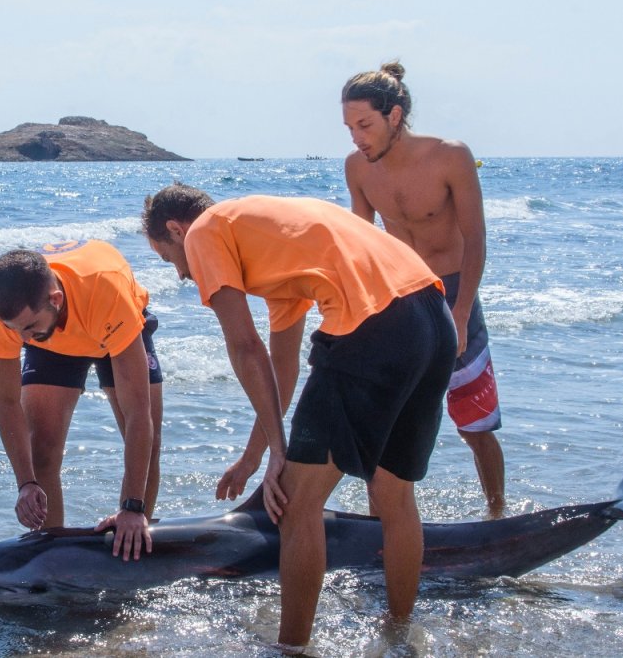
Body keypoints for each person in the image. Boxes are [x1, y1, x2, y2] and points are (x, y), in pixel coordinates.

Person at [142, 185, 456, 649]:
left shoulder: (205, 231)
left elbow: (244, 345)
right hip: (432, 318)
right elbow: (281, 367)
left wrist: (280, 460)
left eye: (170, 259)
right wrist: (257, 456)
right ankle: (399, 634)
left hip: (375, 327)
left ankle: (291, 648)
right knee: (393, 494)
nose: (184, 273)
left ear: (176, 229)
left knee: (295, 504)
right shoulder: (268, 241)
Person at [342, 60, 506, 518]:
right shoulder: (357, 167)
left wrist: (460, 310)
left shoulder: (450, 156)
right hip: (400, 297)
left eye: (365, 125)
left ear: (394, 116)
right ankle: (382, 522)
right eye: (350, 126)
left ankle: (497, 513)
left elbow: (476, 240)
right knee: (384, 417)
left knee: (473, 423)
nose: (356, 136)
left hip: (454, 293)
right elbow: (364, 244)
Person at [0, 240, 162, 561]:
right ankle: (50, 554)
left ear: (55, 300)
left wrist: (132, 506)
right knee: (41, 454)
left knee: (148, 440)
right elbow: (7, 403)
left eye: (27, 328)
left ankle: (135, 533)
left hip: (111, 325)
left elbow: (138, 412)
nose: (20, 341)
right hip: (51, 340)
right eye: (14, 330)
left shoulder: (105, 291)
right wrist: (26, 483)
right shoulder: (12, 319)